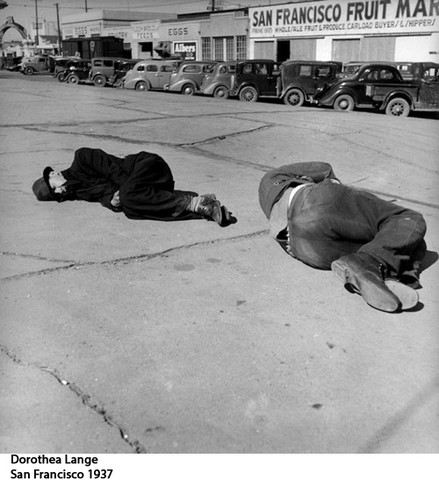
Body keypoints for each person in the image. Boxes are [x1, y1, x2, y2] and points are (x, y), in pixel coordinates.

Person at [258, 162, 427, 313]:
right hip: (316, 203)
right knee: (408, 219)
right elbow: (324, 169)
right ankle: (396, 269)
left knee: (391, 238)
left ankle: (378, 271)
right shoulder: (275, 175)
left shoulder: (269, 192)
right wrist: (345, 193)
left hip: (303, 248)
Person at [32, 147, 235, 227]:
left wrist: (124, 193)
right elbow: (102, 195)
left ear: (53, 174)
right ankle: (203, 207)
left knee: (129, 199)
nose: (59, 192)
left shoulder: (82, 157)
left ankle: (194, 202)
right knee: (130, 210)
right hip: (146, 187)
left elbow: (115, 173)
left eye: (53, 187)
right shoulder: (79, 191)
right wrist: (112, 201)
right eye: (55, 195)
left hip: (149, 166)